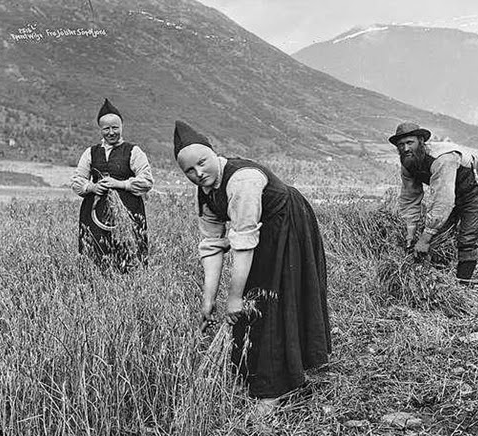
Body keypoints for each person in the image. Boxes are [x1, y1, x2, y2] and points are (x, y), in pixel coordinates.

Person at [173, 120, 331, 413]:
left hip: (287, 220)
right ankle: (257, 373)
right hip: (260, 231)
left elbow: (243, 244)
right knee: (255, 299)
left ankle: (275, 390)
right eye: (189, 171)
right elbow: (212, 246)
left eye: (202, 163)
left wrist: (233, 298)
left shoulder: (242, 180)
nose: (198, 174)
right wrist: (208, 300)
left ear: (212, 153)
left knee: (269, 298)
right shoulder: (205, 193)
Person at [390, 122, 478, 285]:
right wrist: (410, 232)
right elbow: (410, 197)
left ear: (421, 141)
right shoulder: (407, 164)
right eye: (401, 145)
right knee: (438, 236)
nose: (406, 148)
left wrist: (424, 238)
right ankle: (433, 281)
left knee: (467, 238)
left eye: (410, 143)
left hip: (472, 190)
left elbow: (443, 201)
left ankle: (463, 285)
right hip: (448, 190)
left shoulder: (442, 159)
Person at [71, 98, 153, 271]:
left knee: (130, 253)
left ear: (121, 127)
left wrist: (121, 184)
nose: (111, 132)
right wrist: (92, 187)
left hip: (129, 211)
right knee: (95, 254)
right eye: (106, 128)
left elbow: (146, 181)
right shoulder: (90, 153)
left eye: (115, 127)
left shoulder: (133, 151)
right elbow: (77, 181)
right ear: (100, 130)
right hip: (94, 212)